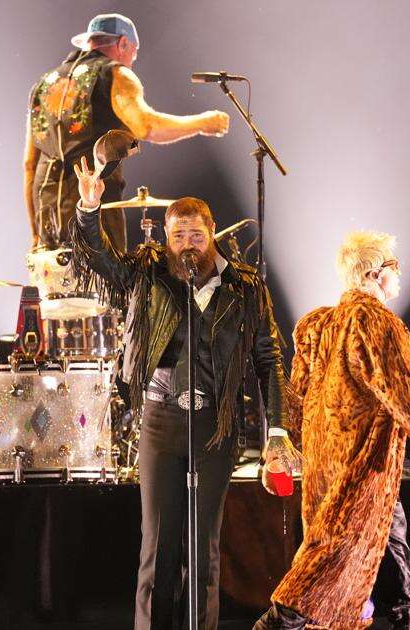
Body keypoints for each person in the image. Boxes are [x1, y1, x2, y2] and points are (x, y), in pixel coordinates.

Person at [73, 156, 295, 629]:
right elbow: (100, 259)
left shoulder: (245, 287)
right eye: (179, 236)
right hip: (161, 422)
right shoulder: (149, 273)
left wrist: (277, 430)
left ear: (212, 233)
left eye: (196, 235)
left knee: (204, 550)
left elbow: (269, 358)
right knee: (158, 548)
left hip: (216, 426)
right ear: (166, 237)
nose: (187, 245)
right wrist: (89, 210)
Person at [253, 230, 410, 630]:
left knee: (387, 551)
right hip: (363, 469)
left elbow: (297, 400)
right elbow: (403, 394)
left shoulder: (316, 325)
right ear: (373, 274)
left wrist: (283, 450)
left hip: (327, 470)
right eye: (393, 266)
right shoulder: (375, 321)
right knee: (323, 569)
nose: (399, 273)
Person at [24, 13, 229, 253]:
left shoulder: (43, 84)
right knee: (106, 277)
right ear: (122, 43)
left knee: (56, 279)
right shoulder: (116, 74)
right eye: (133, 51)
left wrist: (35, 233)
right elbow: (147, 127)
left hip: (46, 218)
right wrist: (203, 123)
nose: (133, 60)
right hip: (94, 215)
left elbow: (29, 165)